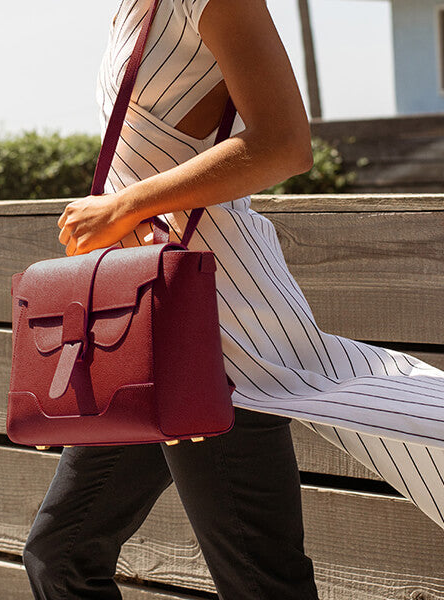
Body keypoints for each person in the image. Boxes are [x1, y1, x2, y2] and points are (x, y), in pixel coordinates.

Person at [22, 0, 444, 598]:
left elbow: (285, 143)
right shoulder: (129, 9)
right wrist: (126, 214)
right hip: (147, 326)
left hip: (225, 333)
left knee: (259, 583)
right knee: (59, 558)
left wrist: (126, 205)